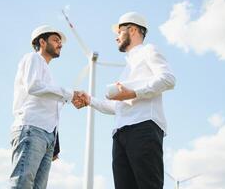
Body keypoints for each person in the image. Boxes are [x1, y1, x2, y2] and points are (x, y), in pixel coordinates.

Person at [74, 12, 176, 189]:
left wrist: (133, 93)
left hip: (143, 128)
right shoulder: (126, 69)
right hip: (120, 134)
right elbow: (117, 107)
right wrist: (90, 100)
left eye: (119, 32)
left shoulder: (148, 50)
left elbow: (168, 79)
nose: (116, 38)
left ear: (134, 29)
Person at [10, 25, 83, 189]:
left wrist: (55, 143)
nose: (60, 44)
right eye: (56, 40)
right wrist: (70, 95)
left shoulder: (48, 74)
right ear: (42, 42)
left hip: (46, 136)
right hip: (32, 129)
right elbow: (34, 87)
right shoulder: (33, 58)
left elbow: (49, 108)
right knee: (22, 183)